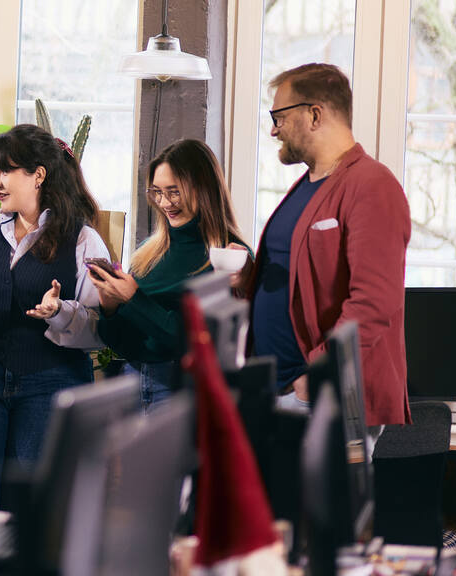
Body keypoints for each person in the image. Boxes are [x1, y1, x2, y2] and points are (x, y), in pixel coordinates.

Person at [0, 124, 109, 510]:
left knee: (38, 509)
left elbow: (101, 331)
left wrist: (60, 312)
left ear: (39, 174)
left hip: (52, 384)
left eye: (6, 171)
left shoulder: (83, 240)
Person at [244, 63, 411, 426]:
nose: (273, 130)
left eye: (280, 117)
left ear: (314, 114)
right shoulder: (308, 184)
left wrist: (316, 374)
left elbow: (373, 303)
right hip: (284, 395)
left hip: (325, 399)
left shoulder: (371, 185)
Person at [90, 139, 250, 413]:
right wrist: (110, 305)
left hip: (183, 389)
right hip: (130, 383)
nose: (165, 203)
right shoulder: (147, 254)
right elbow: (119, 342)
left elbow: (193, 341)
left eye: (174, 192)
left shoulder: (229, 257)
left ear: (202, 187)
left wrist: (134, 298)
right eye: (157, 192)